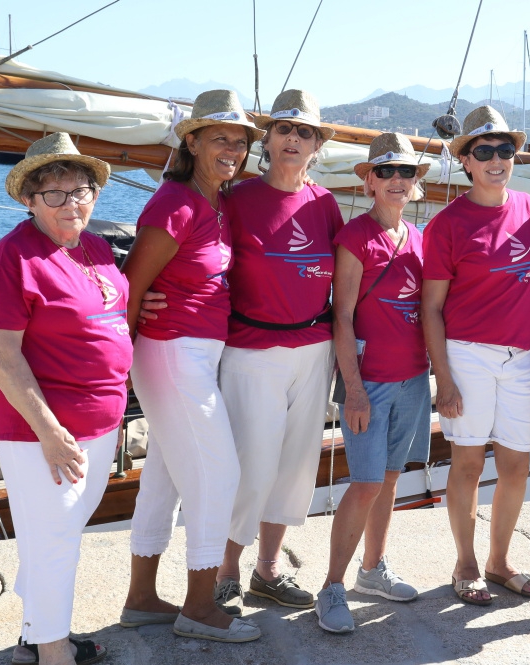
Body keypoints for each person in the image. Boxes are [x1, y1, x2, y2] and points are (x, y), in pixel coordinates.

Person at [0, 132, 129, 665]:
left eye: (80, 190)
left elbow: (105, 308)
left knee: (54, 534)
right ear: (29, 199)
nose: (70, 203)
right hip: (42, 428)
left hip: (99, 419)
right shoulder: (12, 259)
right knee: (56, 539)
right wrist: (50, 433)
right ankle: (55, 653)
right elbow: (0, 353)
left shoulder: (93, 247)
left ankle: (34, 638)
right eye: (54, 193)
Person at [120, 90, 262, 643]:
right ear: (193, 142)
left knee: (164, 476)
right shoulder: (174, 204)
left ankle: (141, 599)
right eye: (220, 137)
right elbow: (131, 286)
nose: (232, 149)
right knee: (218, 475)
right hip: (172, 351)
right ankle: (200, 608)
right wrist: (117, 369)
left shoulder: (215, 202)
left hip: (195, 352)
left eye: (240, 141)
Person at [212, 89, 342, 616]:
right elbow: (200, 262)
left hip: (314, 350)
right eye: (285, 129)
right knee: (251, 466)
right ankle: (224, 572)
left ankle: (266, 572)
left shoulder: (324, 204)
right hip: (252, 351)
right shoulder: (236, 199)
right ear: (266, 139)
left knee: (294, 468)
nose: (294, 138)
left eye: (304, 132)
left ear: (316, 146)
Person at [421, 106, 530, 605]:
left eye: (504, 150)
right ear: (467, 161)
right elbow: (431, 308)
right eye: (485, 151)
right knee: (469, 464)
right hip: (467, 355)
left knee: (516, 465)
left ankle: (499, 561)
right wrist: (444, 379)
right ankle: (466, 563)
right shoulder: (447, 225)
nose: (497, 160)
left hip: (520, 357)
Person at [316, 133, 432, 633]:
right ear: (369, 182)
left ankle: (372, 570)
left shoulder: (419, 237)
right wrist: (355, 390)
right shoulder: (355, 238)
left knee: (389, 478)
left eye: (405, 172)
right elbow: (341, 317)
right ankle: (332, 587)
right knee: (365, 483)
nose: (397, 180)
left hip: (413, 378)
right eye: (386, 172)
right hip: (371, 383)